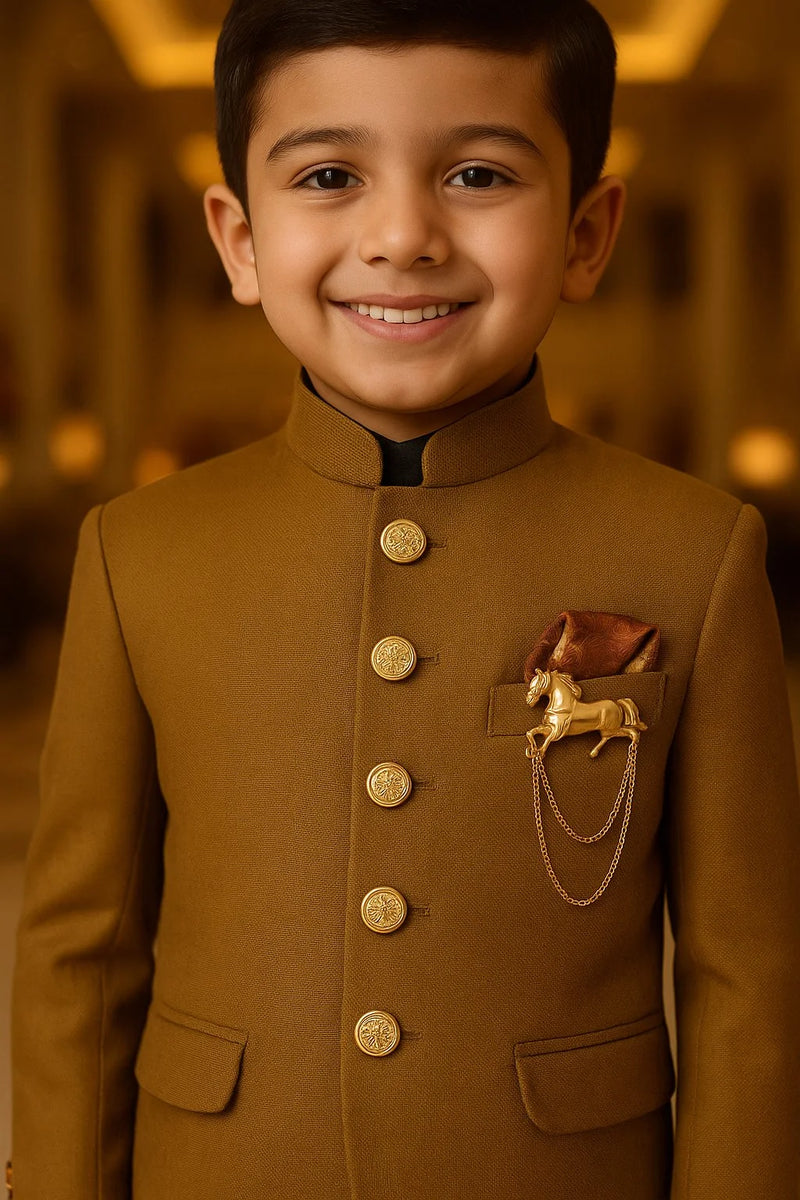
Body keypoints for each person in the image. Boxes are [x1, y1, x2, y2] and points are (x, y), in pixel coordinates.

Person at [8, 1, 800, 1197]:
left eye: (477, 173)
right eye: (328, 174)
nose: (401, 235)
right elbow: (80, 955)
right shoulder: (141, 551)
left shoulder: (693, 551)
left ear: (586, 233)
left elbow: (744, 982)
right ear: (238, 239)